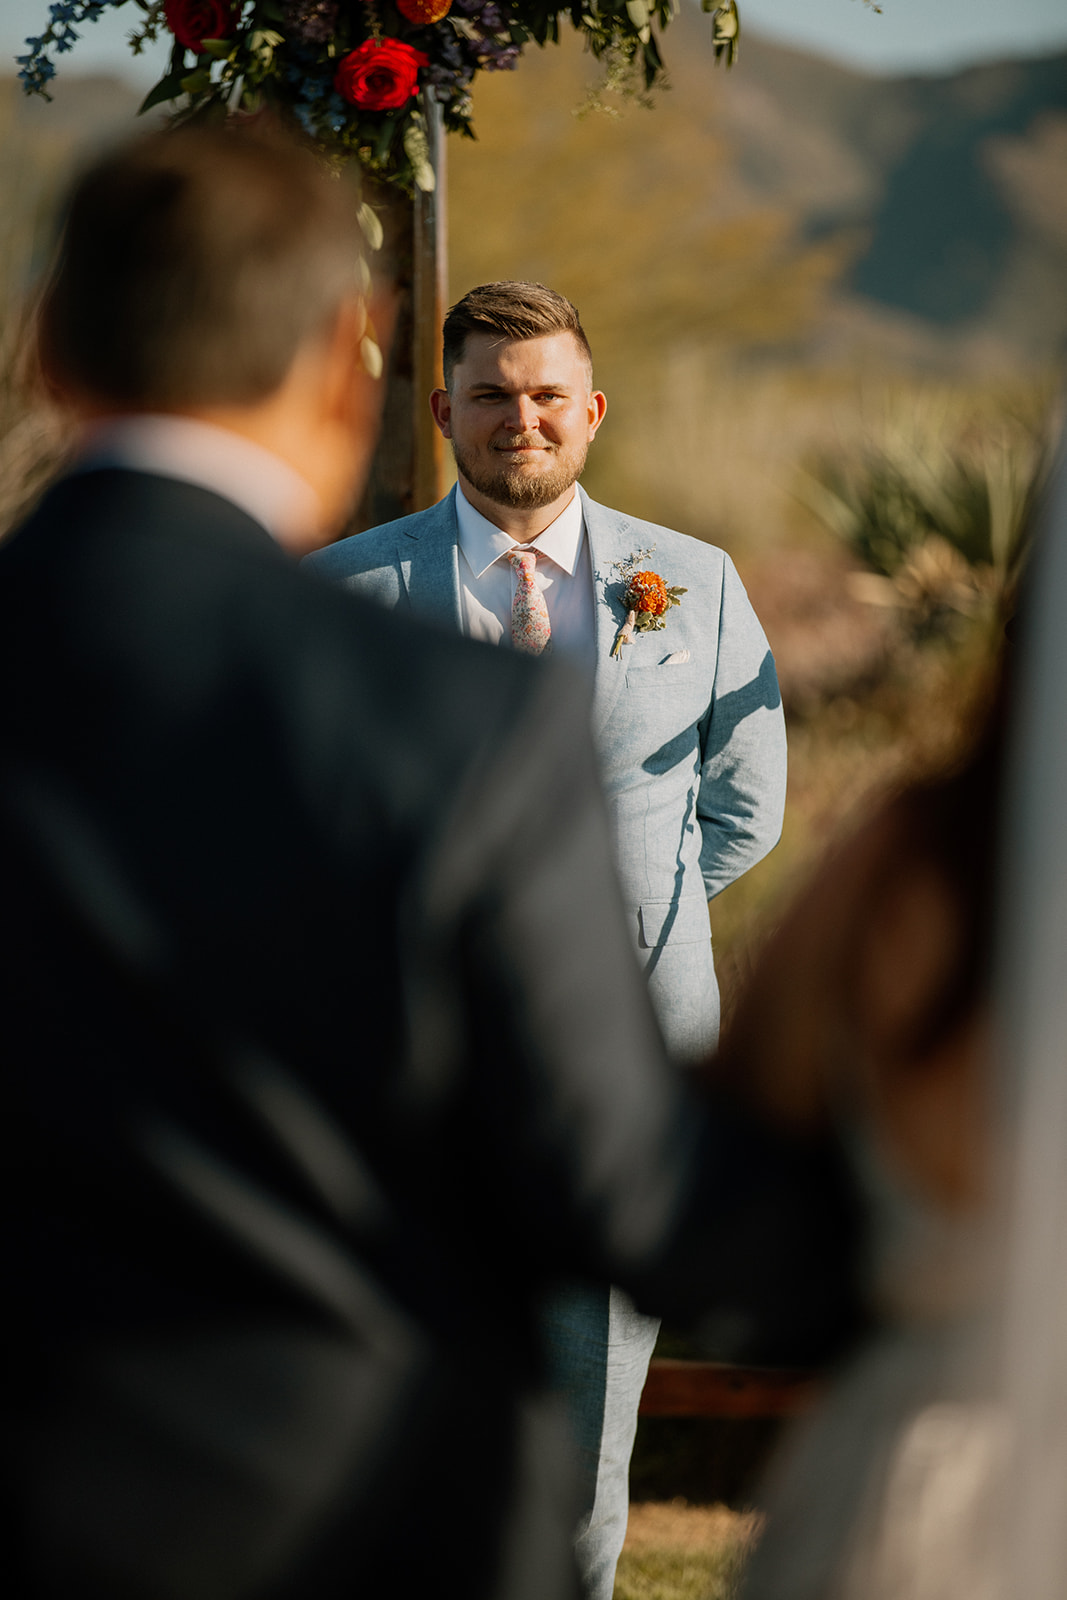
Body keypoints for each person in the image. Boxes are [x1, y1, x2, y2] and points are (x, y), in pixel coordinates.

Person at [2, 130, 858, 1600]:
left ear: (44, 361)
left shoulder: (682, 589)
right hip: (329, 1490)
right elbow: (637, 1189)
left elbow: (741, 800)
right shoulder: (438, 700)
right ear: (363, 376)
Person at [306, 278, 788, 1596]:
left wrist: (622, 915)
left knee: (587, 1432)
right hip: (405, 1080)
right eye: (489, 396)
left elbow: (742, 811)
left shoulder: (693, 586)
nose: (520, 419)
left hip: (622, 1076)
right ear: (447, 411)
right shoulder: (344, 590)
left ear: (592, 409)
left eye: (545, 395)